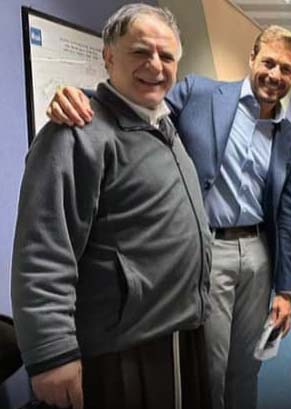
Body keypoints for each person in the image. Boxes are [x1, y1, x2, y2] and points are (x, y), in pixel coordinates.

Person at [45, 25, 291, 409]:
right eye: (269, 62)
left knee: (248, 365)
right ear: (252, 58)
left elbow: (286, 215)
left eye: (286, 69)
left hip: (258, 253)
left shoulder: (288, 136)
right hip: (208, 249)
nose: (275, 75)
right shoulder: (200, 93)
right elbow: (137, 103)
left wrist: (284, 289)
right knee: (210, 366)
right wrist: (81, 98)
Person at [12, 4, 212, 409]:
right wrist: (51, 354)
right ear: (108, 57)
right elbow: (44, 250)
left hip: (178, 333)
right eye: (140, 52)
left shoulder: (163, 125)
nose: (155, 65)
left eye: (166, 55)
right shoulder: (74, 135)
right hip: (122, 351)